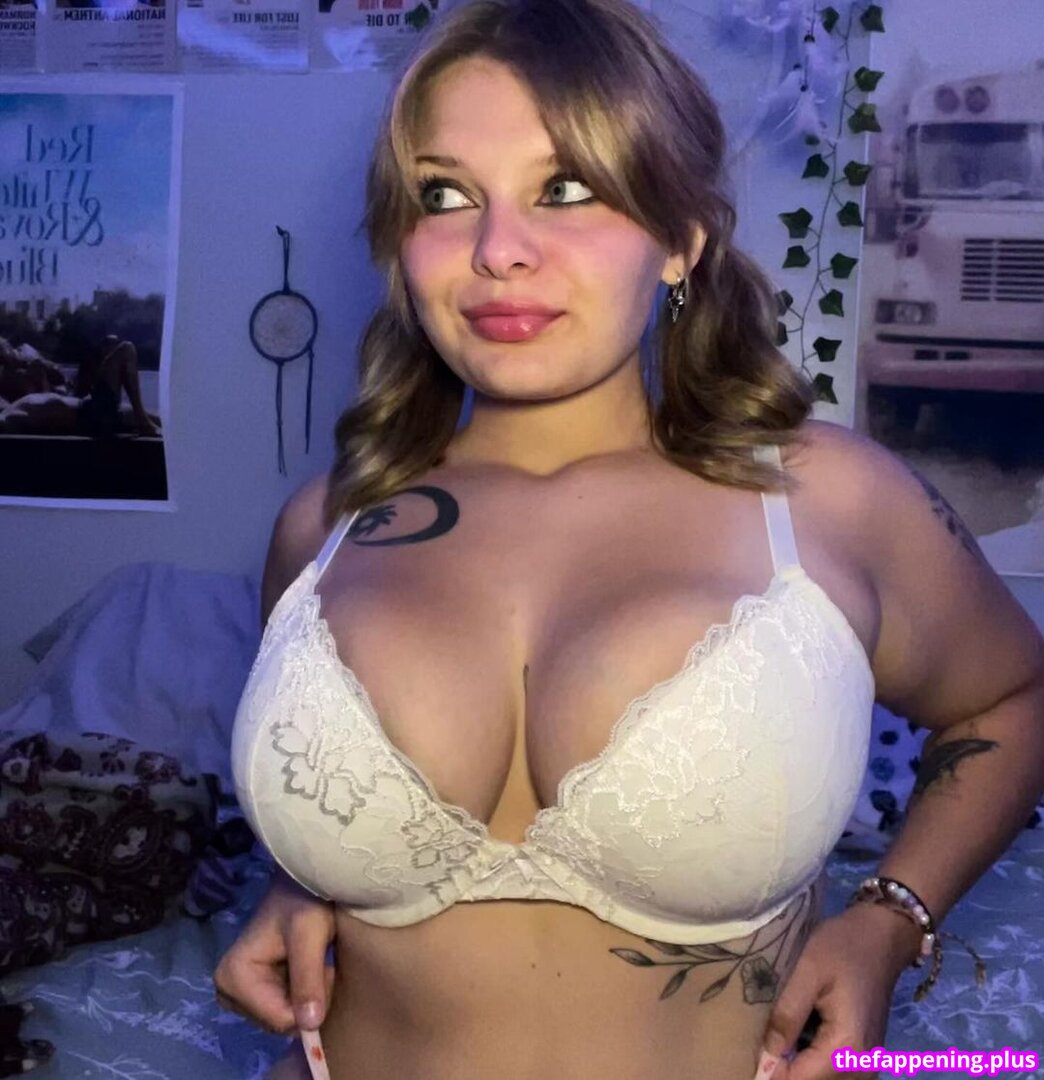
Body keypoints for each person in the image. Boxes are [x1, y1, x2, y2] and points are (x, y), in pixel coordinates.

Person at [214, 1, 1044, 1077]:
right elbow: (329, 790)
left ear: (679, 242)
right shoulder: (328, 524)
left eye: (565, 189)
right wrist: (304, 876)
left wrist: (889, 918)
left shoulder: (823, 500)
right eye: (445, 195)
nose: (497, 251)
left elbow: (1013, 698)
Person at [0, 332, 159, 438]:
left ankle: (146, 420)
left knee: (157, 418)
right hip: (91, 413)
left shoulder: (16, 406)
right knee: (126, 349)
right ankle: (143, 422)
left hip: (89, 407)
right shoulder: (11, 415)